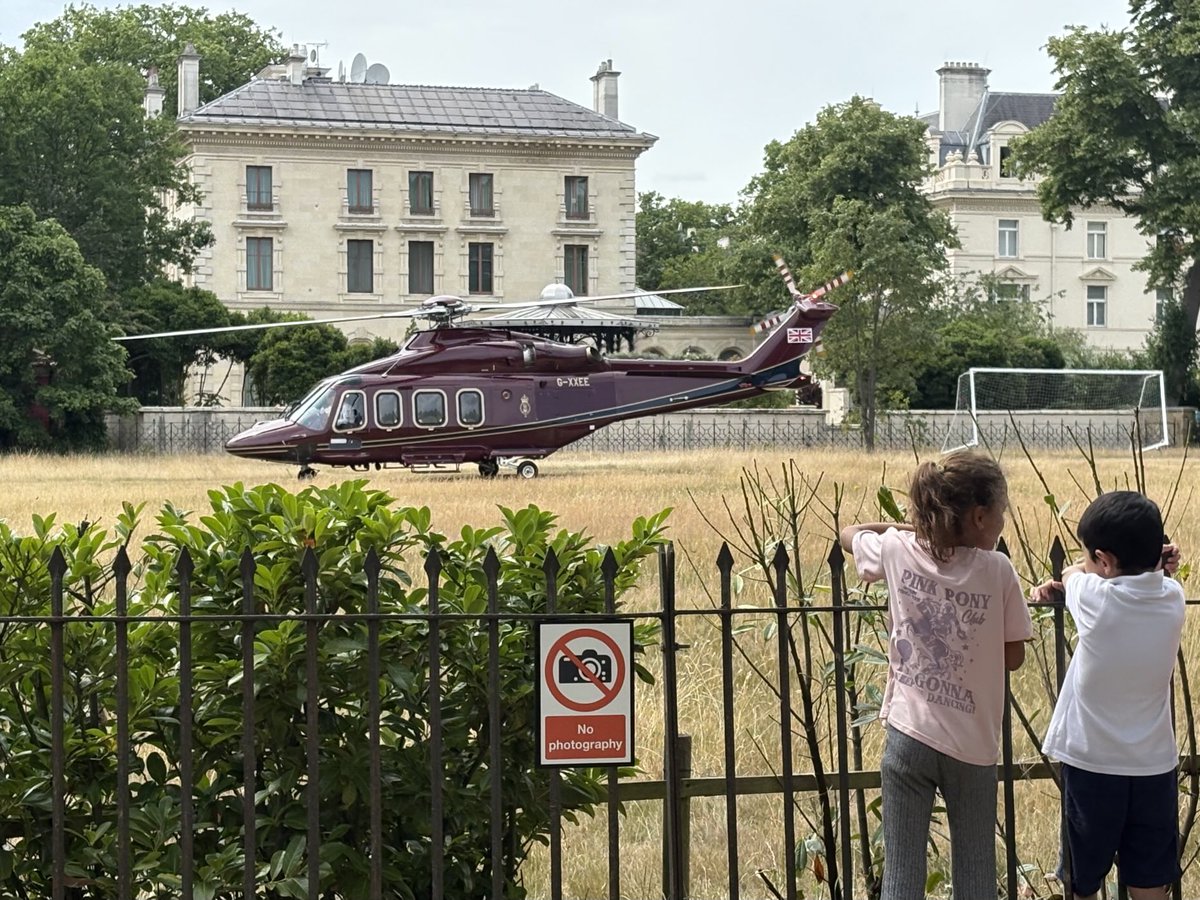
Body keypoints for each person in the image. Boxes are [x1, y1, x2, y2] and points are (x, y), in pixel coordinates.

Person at [840, 450, 1033, 900]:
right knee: (975, 871)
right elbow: (1014, 657)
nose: (1003, 520)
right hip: (972, 745)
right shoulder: (998, 571)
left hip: (910, 733)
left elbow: (849, 534)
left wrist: (914, 530)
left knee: (902, 875)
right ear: (981, 516)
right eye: (1001, 512)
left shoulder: (896, 550)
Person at [1032, 491, 1184, 900]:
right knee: (1150, 882)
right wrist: (1159, 562)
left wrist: (1069, 575)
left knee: (1083, 882)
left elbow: (1069, 576)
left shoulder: (1094, 598)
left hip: (1093, 764)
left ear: (1104, 560)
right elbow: (1146, 578)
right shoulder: (1173, 599)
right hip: (1154, 766)